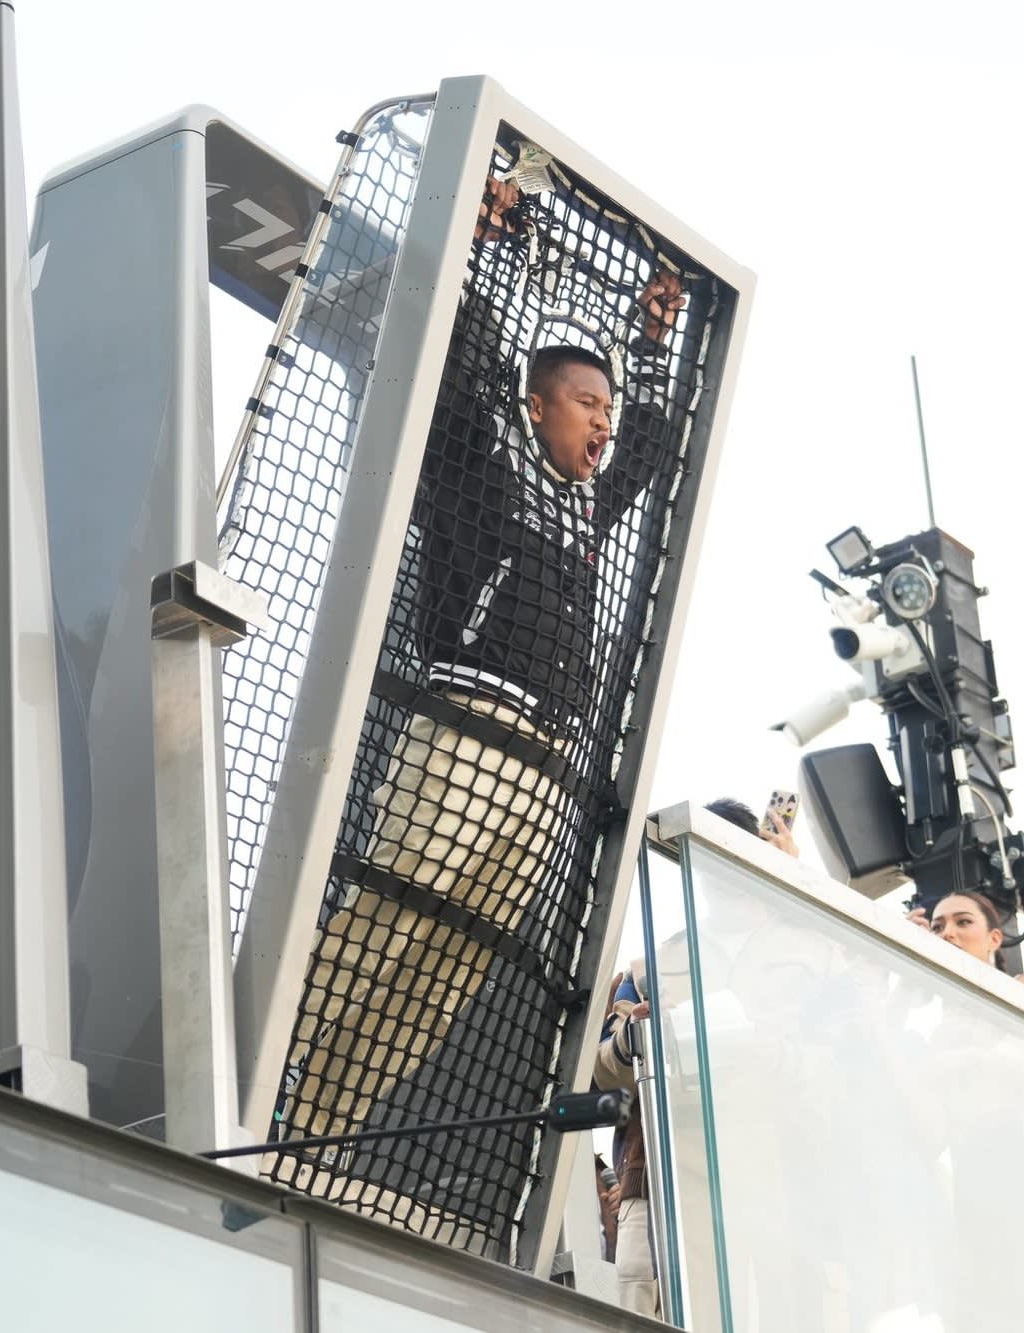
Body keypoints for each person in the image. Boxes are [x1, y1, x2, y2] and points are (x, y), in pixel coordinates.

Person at [286, 173, 690, 1148]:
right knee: (387, 915)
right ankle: (252, 1056)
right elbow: (460, 352)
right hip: (469, 730)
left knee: (451, 963)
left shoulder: (585, 505)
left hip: (545, 764)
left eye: (606, 406)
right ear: (536, 406)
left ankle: (310, 1132)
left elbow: (651, 442)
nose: (602, 422)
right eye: (585, 403)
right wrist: (474, 236)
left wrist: (649, 338)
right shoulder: (483, 454)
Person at [595, 796, 791, 1315]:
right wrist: (637, 1037)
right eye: (702, 855)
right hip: (667, 1180)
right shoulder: (652, 966)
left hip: (784, 1180)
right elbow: (604, 1073)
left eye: (730, 851)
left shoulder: (806, 947)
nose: (715, 873)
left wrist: (793, 895)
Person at [905, 890, 1024, 998]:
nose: (947, 933)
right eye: (937, 927)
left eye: (963, 922)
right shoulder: (930, 1010)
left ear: (994, 939)